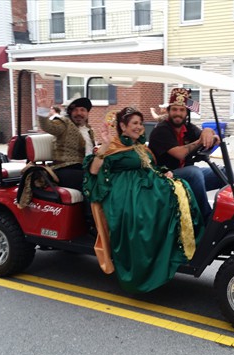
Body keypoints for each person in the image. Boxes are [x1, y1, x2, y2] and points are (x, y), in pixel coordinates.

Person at [83, 106, 204, 293]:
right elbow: (94, 170)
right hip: (124, 191)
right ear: (122, 126)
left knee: (180, 187)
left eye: (140, 123)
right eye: (134, 123)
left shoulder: (140, 146)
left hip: (143, 185)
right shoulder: (113, 145)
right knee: (161, 200)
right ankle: (150, 255)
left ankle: (173, 243)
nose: (139, 127)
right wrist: (105, 144)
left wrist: (163, 172)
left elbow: (149, 167)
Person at [148, 88, 224, 222]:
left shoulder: (189, 128)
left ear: (187, 112)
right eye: (175, 109)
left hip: (185, 176)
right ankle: (207, 219)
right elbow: (180, 154)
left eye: (182, 110)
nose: (178, 113)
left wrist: (209, 132)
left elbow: (205, 136)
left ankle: (227, 216)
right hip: (164, 178)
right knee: (194, 172)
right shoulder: (161, 131)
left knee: (222, 172)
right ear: (168, 111)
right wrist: (201, 140)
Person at [35, 88, 96, 190]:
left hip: (85, 168)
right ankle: (90, 206)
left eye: (82, 110)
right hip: (65, 169)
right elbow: (47, 126)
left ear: (87, 113)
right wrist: (43, 111)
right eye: (75, 110)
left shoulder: (89, 130)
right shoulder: (64, 124)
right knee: (91, 181)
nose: (79, 113)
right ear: (70, 113)